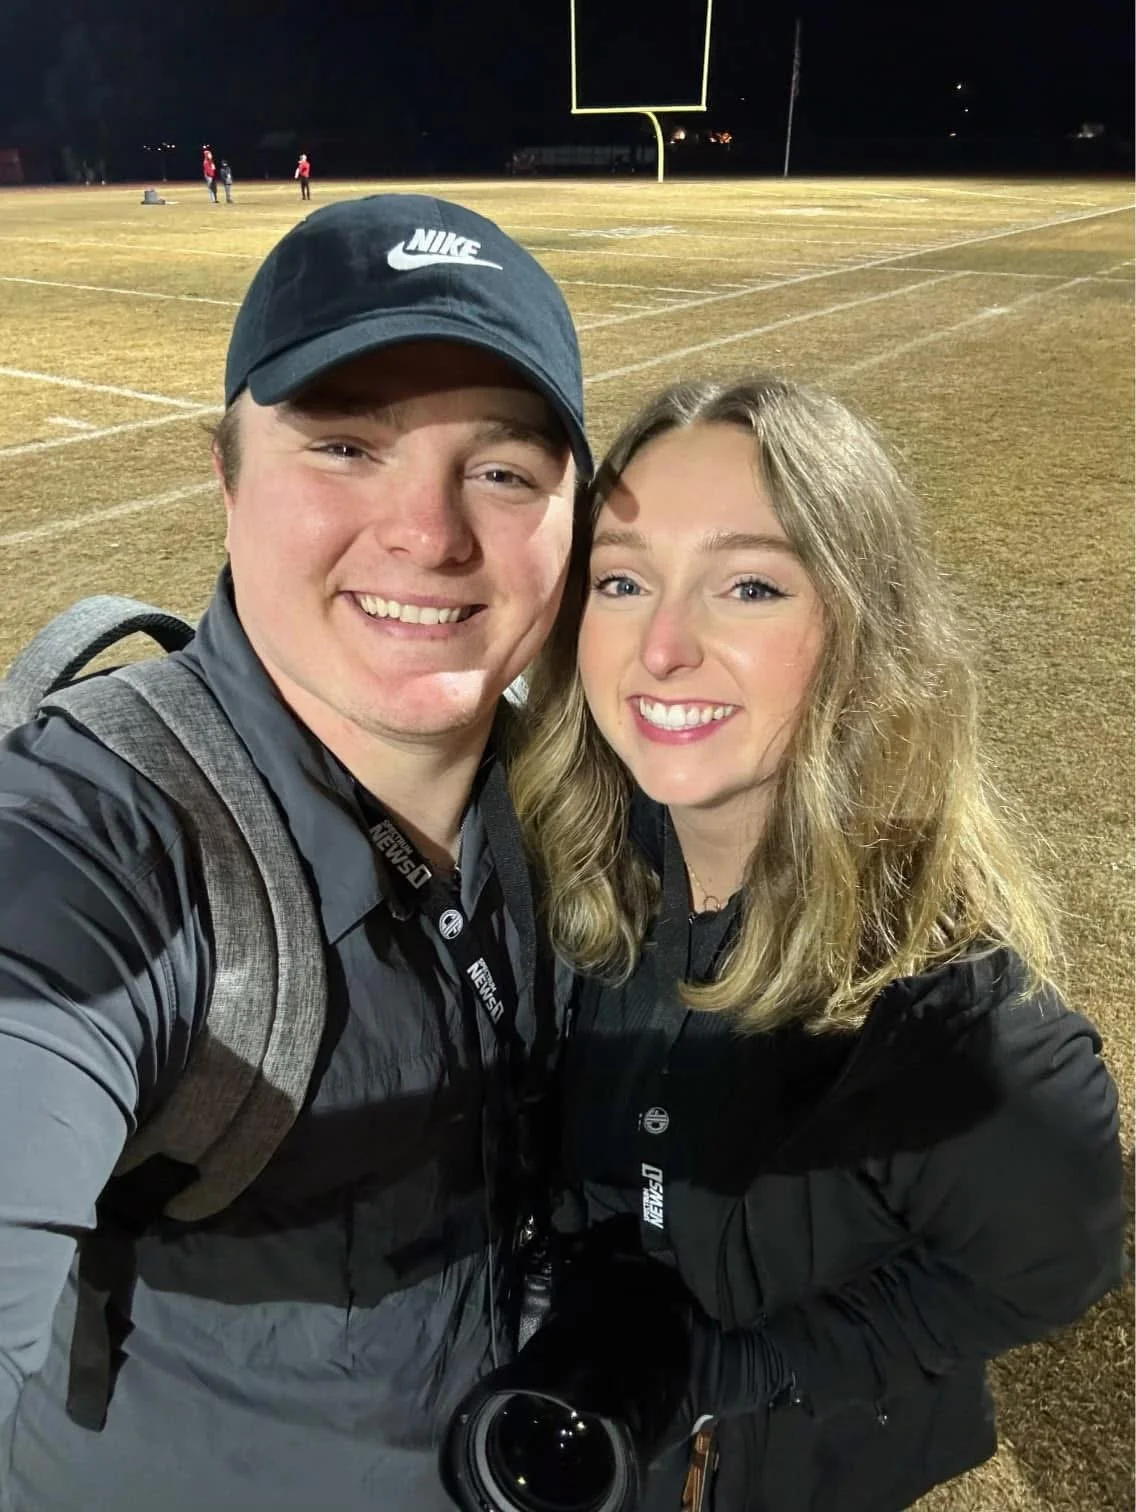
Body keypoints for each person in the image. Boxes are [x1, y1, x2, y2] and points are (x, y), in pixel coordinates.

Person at [0, 192, 591, 1511]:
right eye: (345, 446)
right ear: (225, 478)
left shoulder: (575, 799)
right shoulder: (90, 844)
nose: (431, 535)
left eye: (501, 470)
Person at [510, 376, 1125, 1511]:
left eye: (747, 584)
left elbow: (1052, 1270)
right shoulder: (572, 850)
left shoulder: (958, 1028)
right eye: (622, 579)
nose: (661, 647)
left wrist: (746, 1369)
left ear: (858, 624)